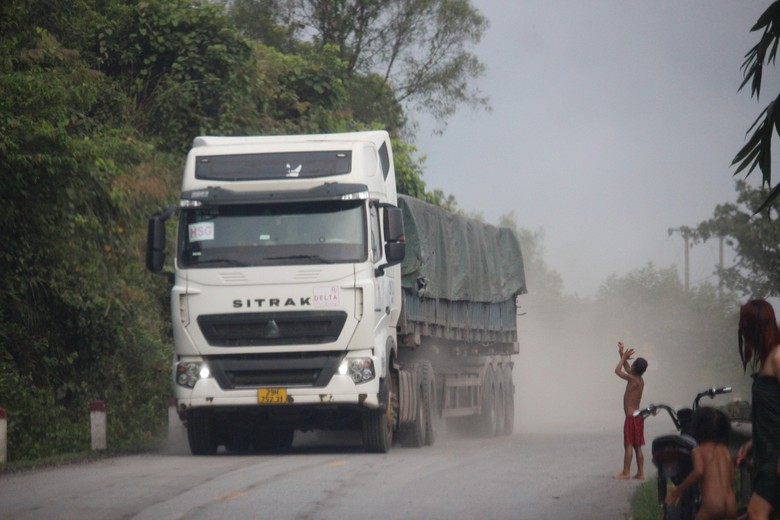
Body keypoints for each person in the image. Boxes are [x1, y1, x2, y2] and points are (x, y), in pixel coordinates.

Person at [736, 299, 780, 520]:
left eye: (745, 326)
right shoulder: (767, 360)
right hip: (766, 454)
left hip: (776, 457)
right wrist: (753, 441)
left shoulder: (778, 357)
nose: (743, 333)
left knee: (756, 512)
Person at [666, 406, 737, 520]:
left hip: (712, 505)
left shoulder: (699, 449)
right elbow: (731, 477)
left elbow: (699, 471)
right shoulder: (725, 451)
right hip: (731, 504)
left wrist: (678, 490)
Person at [614, 341, 648, 480]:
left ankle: (626, 472)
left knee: (628, 444)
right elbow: (627, 369)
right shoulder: (639, 380)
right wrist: (621, 353)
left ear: (634, 367)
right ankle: (640, 473)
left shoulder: (632, 379)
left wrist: (622, 358)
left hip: (630, 417)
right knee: (637, 446)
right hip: (638, 416)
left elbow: (617, 370)